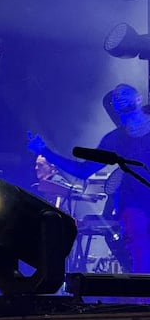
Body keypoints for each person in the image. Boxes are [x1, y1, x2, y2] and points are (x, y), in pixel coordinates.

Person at [28, 83, 150, 273]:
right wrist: (45, 152)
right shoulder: (114, 139)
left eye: (124, 92)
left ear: (139, 98)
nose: (119, 95)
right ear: (115, 108)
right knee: (142, 257)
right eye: (116, 96)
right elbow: (83, 170)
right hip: (134, 205)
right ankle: (143, 301)